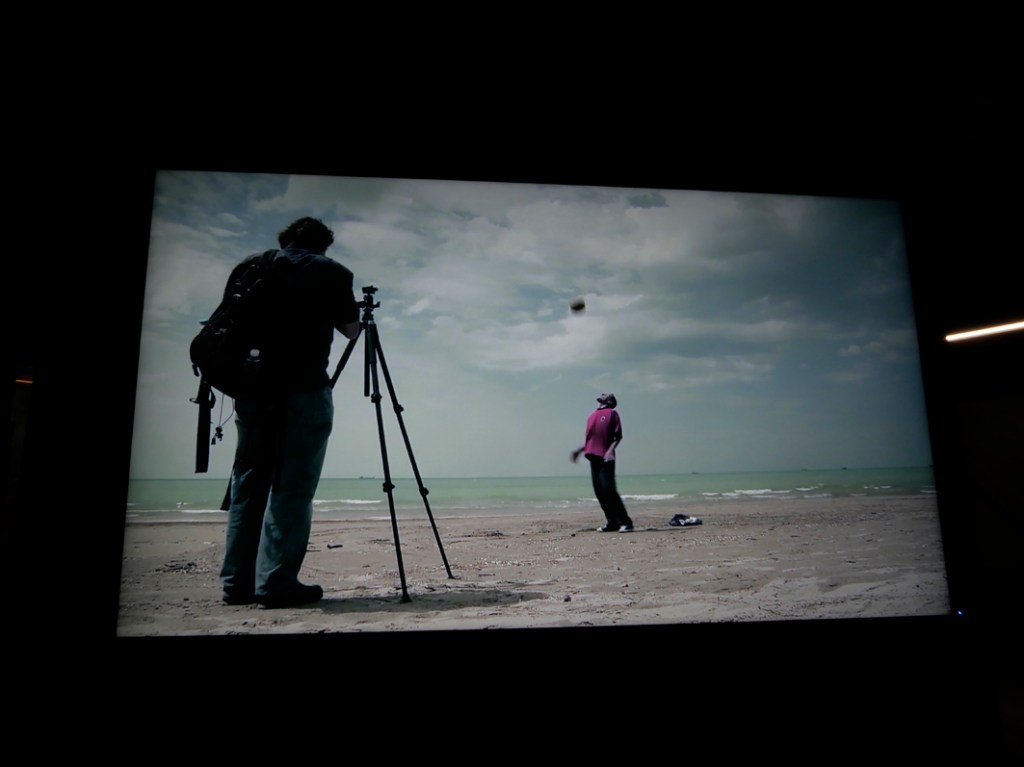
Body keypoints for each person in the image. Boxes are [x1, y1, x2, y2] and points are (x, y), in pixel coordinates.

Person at [220, 216, 361, 608]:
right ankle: (275, 583)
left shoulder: (251, 266)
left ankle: (236, 583)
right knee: (293, 487)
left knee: (248, 483)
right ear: (323, 244)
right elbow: (351, 329)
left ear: (284, 240)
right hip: (304, 389)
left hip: (252, 391)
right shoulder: (332, 272)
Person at [571, 393, 634, 532]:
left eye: (605, 394)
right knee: (600, 492)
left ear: (609, 400)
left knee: (609, 490)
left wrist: (610, 451)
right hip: (592, 457)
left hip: (605, 457)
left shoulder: (612, 413)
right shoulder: (591, 416)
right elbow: (591, 440)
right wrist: (579, 450)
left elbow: (618, 436)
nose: (602, 394)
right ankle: (612, 523)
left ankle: (626, 522)